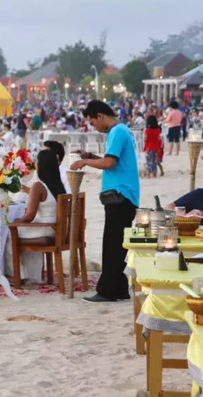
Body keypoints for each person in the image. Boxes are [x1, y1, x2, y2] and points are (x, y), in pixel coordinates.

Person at [71, 100, 139, 303]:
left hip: (121, 194)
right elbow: (111, 160)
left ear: (100, 116)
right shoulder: (118, 131)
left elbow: (109, 163)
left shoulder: (117, 131)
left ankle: (108, 290)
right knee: (116, 244)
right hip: (123, 194)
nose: (93, 127)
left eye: (92, 122)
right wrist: (91, 156)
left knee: (112, 245)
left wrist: (84, 162)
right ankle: (119, 288)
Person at [10, 150, 65, 282]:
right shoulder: (58, 185)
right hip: (57, 229)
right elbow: (47, 200)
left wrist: (17, 221)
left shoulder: (38, 186)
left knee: (10, 232)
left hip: (45, 229)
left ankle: (18, 275)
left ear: (40, 166)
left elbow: (29, 216)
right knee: (19, 229)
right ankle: (32, 274)